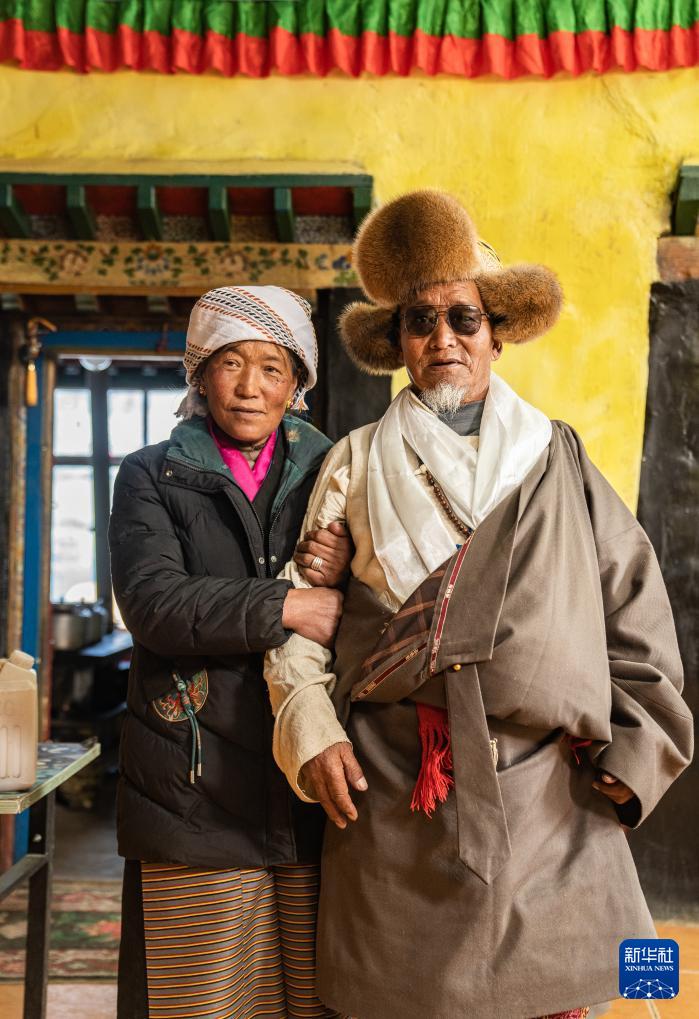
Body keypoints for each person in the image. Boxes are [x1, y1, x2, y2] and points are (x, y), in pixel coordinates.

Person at [264, 192, 694, 1019]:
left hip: (553, 794)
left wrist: (640, 747)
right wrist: (311, 729)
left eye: (463, 318)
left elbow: (633, 606)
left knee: (578, 988)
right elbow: (301, 617)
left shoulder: (557, 458)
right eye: (419, 321)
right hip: (397, 785)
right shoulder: (354, 462)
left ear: (496, 333)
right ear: (397, 344)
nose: (443, 339)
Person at [109, 285, 353, 1019]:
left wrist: (347, 563)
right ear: (200, 373)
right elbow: (154, 604)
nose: (250, 387)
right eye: (230, 363)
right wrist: (288, 604)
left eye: (272, 367)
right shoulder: (150, 473)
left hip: (306, 769)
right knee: (203, 1000)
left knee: (316, 996)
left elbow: (379, 593)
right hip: (192, 776)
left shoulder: (336, 469)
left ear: (296, 383)